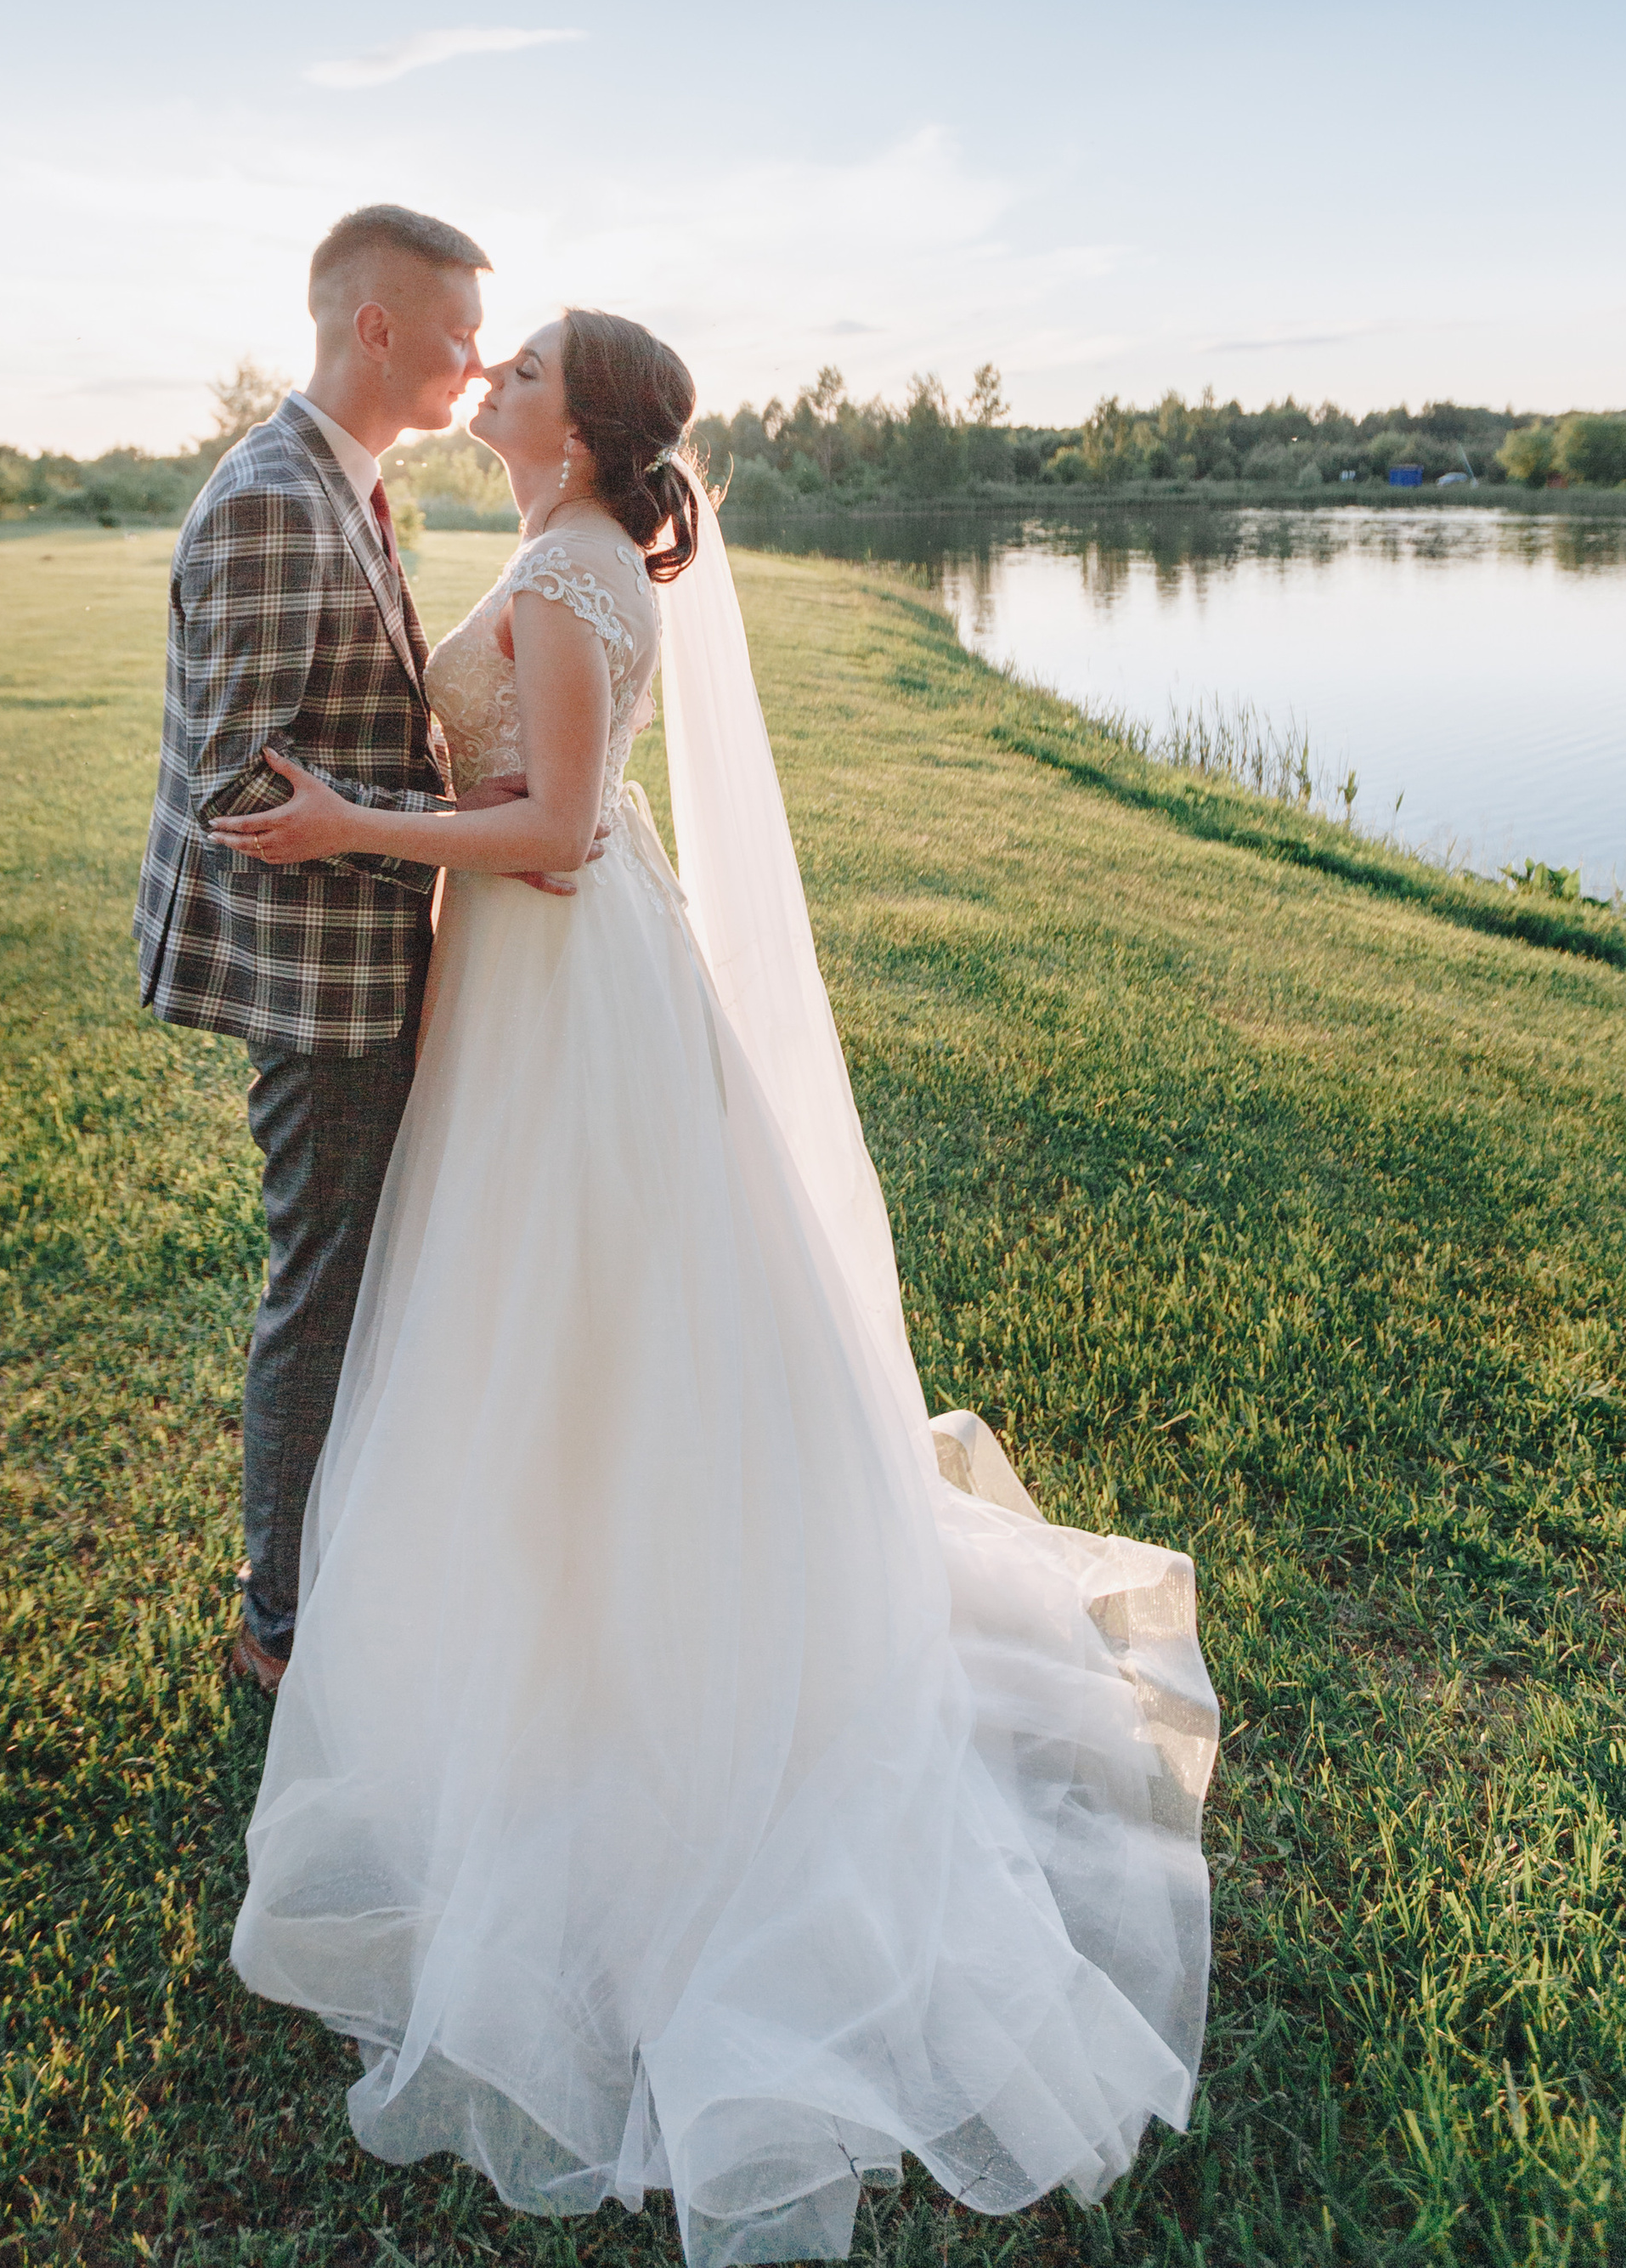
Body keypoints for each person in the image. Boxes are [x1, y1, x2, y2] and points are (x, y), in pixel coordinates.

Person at [214, 306, 1220, 2268]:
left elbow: (554, 830)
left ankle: (615, 1652)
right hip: (547, 979)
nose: (492, 383)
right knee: (560, 1313)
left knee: (580, 1311)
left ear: (583, 431)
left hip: (565, 979)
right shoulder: (566, 547)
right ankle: (554, 1589)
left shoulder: (572, 572)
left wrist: (344, 825)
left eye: (522, 372)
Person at [133, 202, 494, 1688]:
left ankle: (346, 1559)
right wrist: (450, 831)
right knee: (327, 1281)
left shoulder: (348, 478)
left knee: (358, 1266)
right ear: (377, 327)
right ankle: (279, 1624)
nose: (478, 361)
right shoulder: (277, 495)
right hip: (320, 981)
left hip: (364, 950)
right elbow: (239, 783)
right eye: (460, 333)